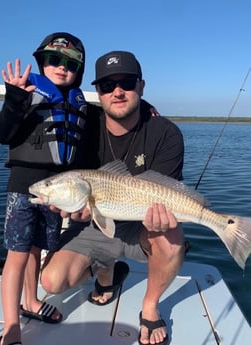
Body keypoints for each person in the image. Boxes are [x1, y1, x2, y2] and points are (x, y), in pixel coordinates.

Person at [40, 50, 185, 345]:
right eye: (107, 85)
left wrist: (163, 218)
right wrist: (72, 206)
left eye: (127, 83)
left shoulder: (166, 133)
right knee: (51, 282)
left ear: (141, 87)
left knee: (171, 237)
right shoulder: (84, 127)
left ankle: (150, 306)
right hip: (96, 218)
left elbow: (164, 191)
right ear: (98, 91)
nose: (117, 91)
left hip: (140, 224)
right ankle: (108, 275)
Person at [0, 32, 87, 345]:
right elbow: (3, 134)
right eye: (54, 61)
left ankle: (31, 302)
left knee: (36, 249)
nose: (61, 68)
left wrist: (147, 107)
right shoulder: (28, 92)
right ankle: (11, 327)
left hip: (58, 190)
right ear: (42, 63)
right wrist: (14, 100)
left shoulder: (78, 101)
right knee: (17, 256)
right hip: (25, 188)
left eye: (70, 64)